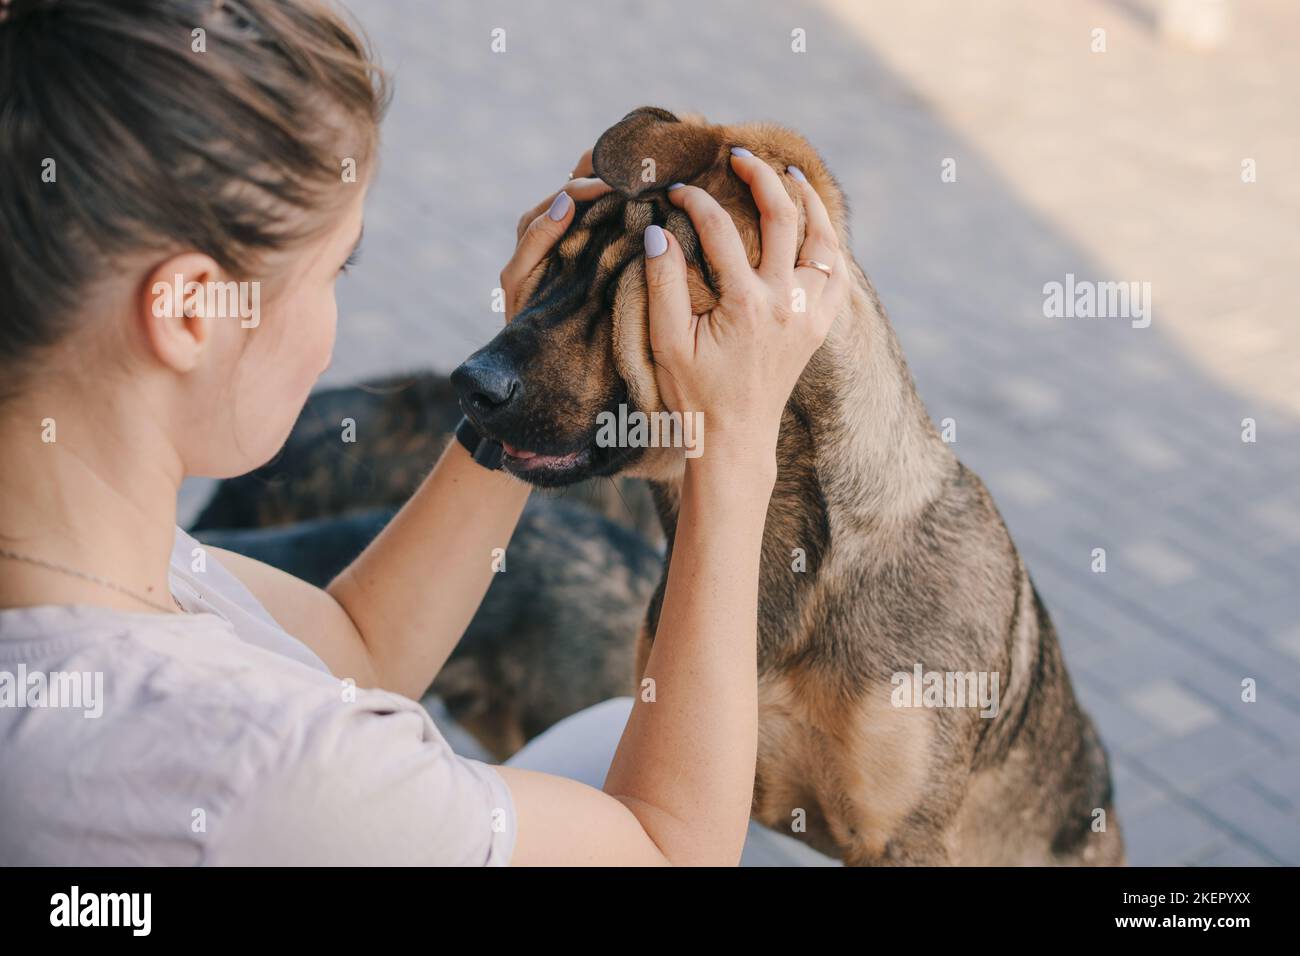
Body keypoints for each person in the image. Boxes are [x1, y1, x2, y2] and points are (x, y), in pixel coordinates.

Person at [0, 0, 847, 865]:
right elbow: (671, 851)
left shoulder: (85, 569)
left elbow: (351, 647)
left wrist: (530, 378)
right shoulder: (263, 761)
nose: (338, 309)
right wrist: (737, 445)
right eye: (338, 268)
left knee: (609, 734)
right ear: (190, 310)